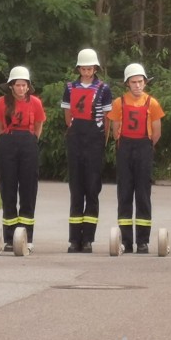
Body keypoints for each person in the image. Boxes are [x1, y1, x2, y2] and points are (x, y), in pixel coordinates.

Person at [107, 63, 165, 253]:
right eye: (133, 82)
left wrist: (145, 147)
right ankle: (125, 241)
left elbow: (156, 132)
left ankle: (142, 241)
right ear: (127, 83)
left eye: (140, 81)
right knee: (124, 194)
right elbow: (115, 130)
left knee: (143, 195)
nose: (137, 85)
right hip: (124, 149)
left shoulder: (152, 103)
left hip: (144, 149)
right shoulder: (119, 103)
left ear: (145, 82)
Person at [61, 48, 113, 253]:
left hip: (94, 140)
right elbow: (67, 115)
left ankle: (88, 238)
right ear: (78, 69)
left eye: (90, 68)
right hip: (76, 139)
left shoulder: (104, 88)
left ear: (95, 68)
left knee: (92, 189)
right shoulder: (70, 87)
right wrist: (73, 130)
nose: (86, 71)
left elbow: (107, 119)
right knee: (76, 189)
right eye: (83, 68)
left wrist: (101, 140)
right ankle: (74, 239)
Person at [0, 66, 46, 252]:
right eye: (18, 85)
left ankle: (26, 237)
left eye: (24, 85)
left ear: (28, 86)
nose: (21, 88)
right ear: (11, 86)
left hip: (28, 144)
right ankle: (9, 237)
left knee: (28, 189)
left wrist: (30, 140)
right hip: (8, 143)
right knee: (8, 188)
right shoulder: (1, 103)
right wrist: (7, 140)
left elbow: (38, 126)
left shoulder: (36, 102)